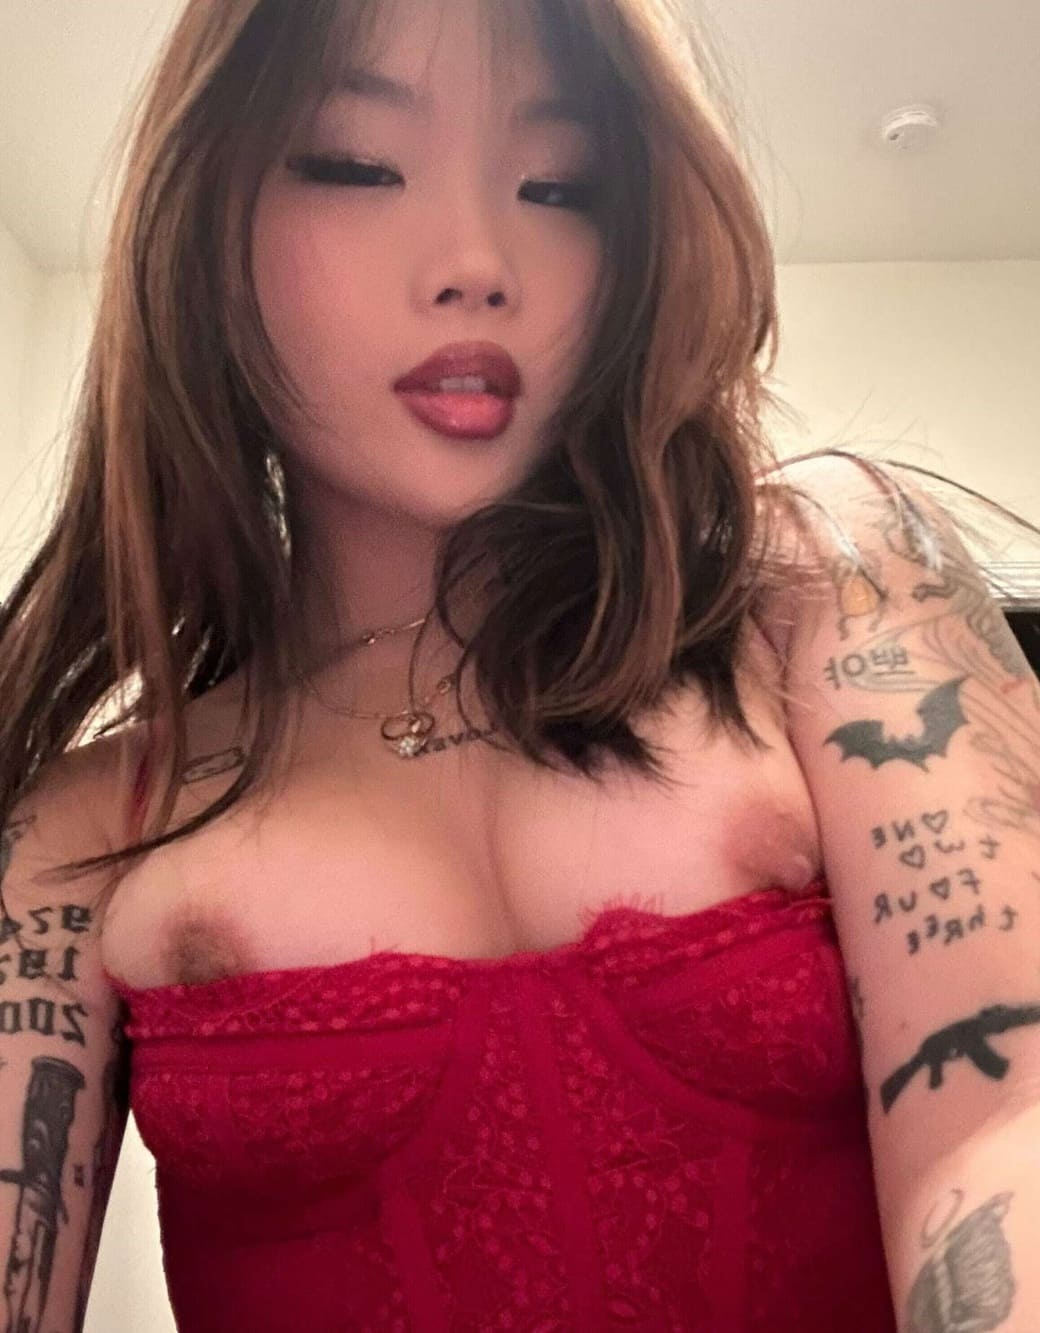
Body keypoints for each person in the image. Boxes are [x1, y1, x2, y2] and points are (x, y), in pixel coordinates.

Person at [0, 0, 1038, 1329]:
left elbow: (1002, 1124)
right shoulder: (87, 832)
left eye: (561, 185)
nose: (479, 263)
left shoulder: (826, 579)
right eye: (357, 165)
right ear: (201, 232)